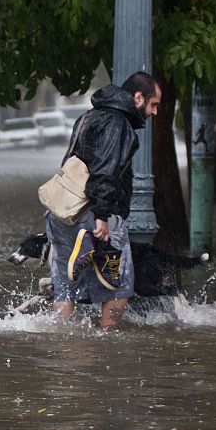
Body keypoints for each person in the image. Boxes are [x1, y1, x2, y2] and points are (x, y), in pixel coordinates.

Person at [45, 72, 162, 329]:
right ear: (138, 97)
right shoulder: (118, 123)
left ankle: (68, 350)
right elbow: (104, 170)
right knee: (118, 288)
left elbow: (74, 164)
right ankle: (107, 346)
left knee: (65, 287)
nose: (154, 112)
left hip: (63, 211)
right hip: (96, 216)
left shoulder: (88, 116)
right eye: (153, 104)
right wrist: (101, 216)